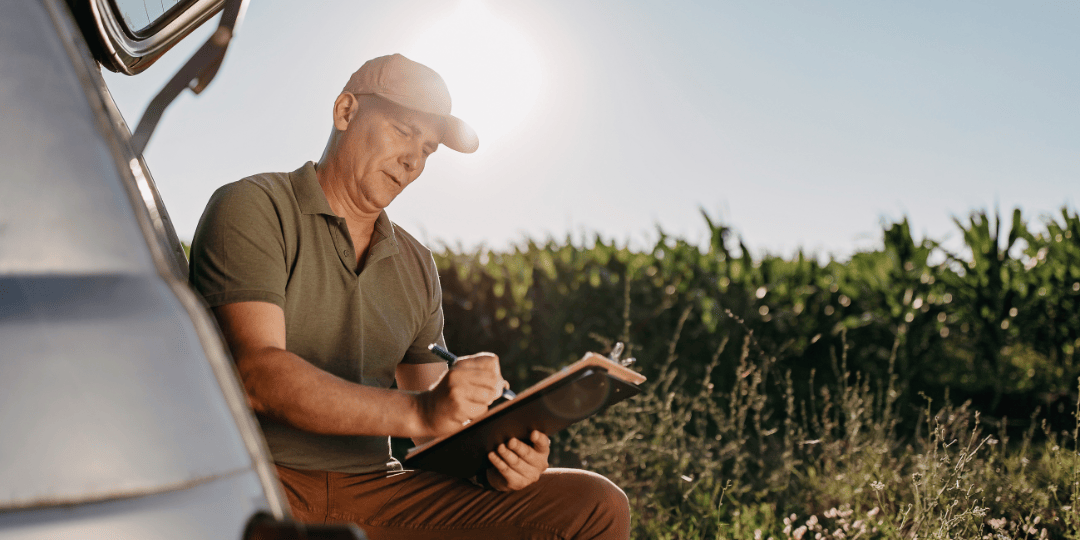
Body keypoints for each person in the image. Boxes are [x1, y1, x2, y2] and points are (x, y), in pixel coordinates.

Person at [188, 53, 631, 539]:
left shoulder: (416, 264)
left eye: (429, 148)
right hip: (260, 481)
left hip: (378, 491)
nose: (413, 160)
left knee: (596, 505)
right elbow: (256, 375)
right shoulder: (253, 206)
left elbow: (434, 427)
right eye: (402, 131)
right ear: (345, 111)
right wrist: (421, 410)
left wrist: (499, 457)